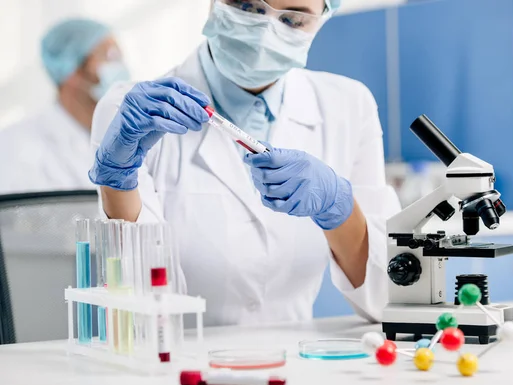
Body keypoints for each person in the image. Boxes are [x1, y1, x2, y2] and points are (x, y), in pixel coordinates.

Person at [89, 0, 401, 326]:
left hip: (299, 366)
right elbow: (139, 308)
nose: (264, 31)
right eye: (247, 6)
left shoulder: (349, 105)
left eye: (293, 19)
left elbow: (386, 300)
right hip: (180, 366)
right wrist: (117, 181)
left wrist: (340, 208)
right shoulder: (134, 113)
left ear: (323, 18)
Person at [0, 18, 129, 194]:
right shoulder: (13, 146)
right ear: (72, 71)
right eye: (109, 56)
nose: (120, 68)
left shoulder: (127, 137)